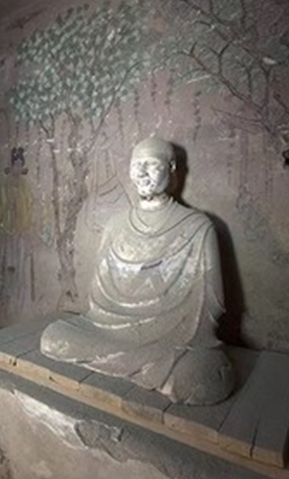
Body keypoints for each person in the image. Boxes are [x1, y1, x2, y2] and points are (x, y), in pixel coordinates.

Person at [40, 137, 234, 405]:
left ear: (172, 169)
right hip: (110, 332)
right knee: (53, 337)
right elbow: (98, 301)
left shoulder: (198, 227)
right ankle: (146, 368)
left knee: (199, 377)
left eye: (151, 164)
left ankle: (144, 365)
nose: (142, 173)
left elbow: (212, 305)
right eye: (136, 166)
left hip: (171, 340)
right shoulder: (115, 225)